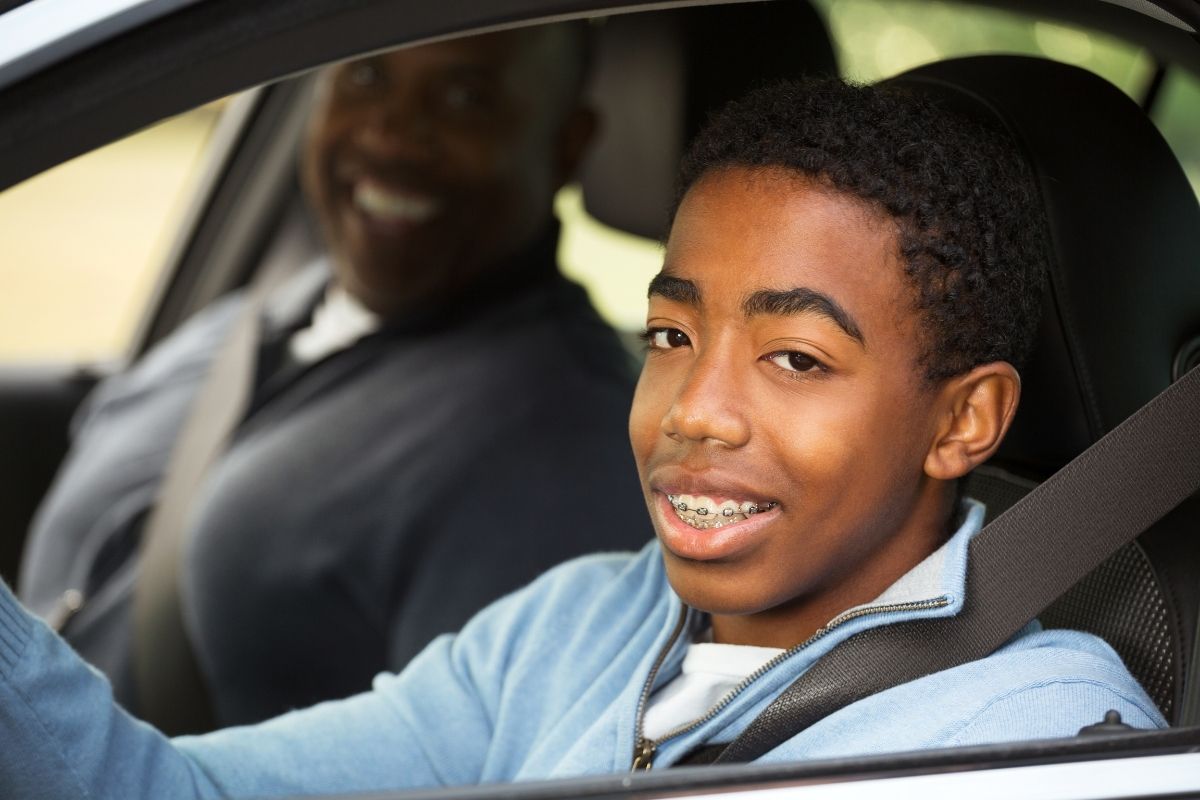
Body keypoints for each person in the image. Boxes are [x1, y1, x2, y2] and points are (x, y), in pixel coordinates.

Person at [0, 75, 1164, 799]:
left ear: (964, 418)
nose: (694, 409)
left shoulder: (1038, 746)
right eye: (668, 334)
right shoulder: (573, 624)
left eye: (796, 358)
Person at [15, 23, 651, 729]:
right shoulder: (245, 322)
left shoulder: (562, 440)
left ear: (566, 143)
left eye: (467, 97)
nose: (395, 133)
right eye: (367, 76)